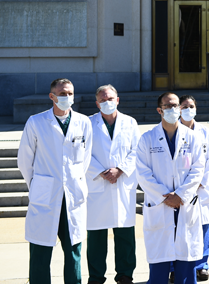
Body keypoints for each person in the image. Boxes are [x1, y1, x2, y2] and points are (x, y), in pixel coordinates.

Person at [17, 78, 93, 284]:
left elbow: (84, 160)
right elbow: (24, 160)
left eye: (70, 93)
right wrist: (36, 186)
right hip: (45, 197)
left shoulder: (83, 122)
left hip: (73, 196)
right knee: (41, 252)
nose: (67, 97)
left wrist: (74, 181)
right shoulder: (36, 122)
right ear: (52, 96)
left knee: (74, 251)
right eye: (62, 94)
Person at [135, 92, 206, 284]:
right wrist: (165, 197)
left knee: (186, 268)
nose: (174, 110)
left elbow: (198, 168)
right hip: (161, 206)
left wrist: (181, 195)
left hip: (185, 205)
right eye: (168, 106)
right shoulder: (147, 139)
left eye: (177, 106)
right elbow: (142, 173)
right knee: (159, 269)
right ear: (159, 110)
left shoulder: (192, 138)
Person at [86, 85, 141, 284]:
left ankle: (125, 274)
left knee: (125, 233)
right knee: (96, 236)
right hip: (97, 183)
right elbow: (82, 152)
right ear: (97, 103)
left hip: (122, 182)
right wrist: (101, 171)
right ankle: (96, 276)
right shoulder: (88, 123)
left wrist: (120, 169)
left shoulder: (130, 122)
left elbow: (137, 150)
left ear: (117, 100)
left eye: (110, 98)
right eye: (102, 99)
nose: (107, 102)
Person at [179, 95, 209, 281]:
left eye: (191, 106)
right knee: (178, 228)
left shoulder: (205, 132)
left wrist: (200, 181)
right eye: (184, 106)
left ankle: (201, 265)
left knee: (202, 226)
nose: (188, 109)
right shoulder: (171, 130)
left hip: (201, 188)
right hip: (179, 188)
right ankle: (175, 265)